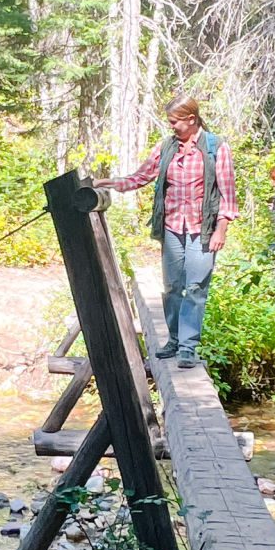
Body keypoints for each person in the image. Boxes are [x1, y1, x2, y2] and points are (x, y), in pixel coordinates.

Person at [93, 95, 237, 369]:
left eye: (175, 121)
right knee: (172, 288)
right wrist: (109, 182)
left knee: (195, 288)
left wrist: (222, 229)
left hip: (203, 230)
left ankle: (187, 348)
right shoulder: (167, 146)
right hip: (172, 227)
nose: (171, 126)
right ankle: (173, 340)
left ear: (191, 120)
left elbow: (228, 193)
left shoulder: (215, 147)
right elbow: (142, 176)